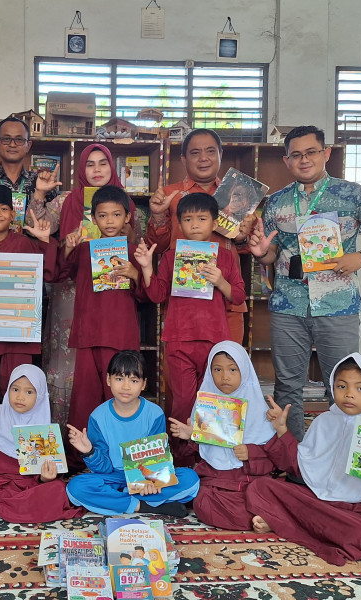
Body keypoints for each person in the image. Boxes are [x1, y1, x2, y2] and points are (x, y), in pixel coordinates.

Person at [248, 125, 361, 442]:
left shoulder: (352, 194)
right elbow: (271, 252)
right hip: (288, 305)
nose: (304, 160)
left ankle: (342, 453)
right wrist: (263, 255)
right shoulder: (275, 202)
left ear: (325, 153)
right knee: (287, 385)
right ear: (287, 159)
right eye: (296, 155)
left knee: (343, 384)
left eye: (311, 152)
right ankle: (291, 456)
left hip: (338, 303)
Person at [244, 354, 361, 566]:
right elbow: (299, 467)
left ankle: (284, 523)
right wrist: (281, 429)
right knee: (259, 488)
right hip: (313, 499)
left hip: (353, 509)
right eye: (342, 386)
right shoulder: (324, 421)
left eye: (360, 388)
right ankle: (304, 527)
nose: (349, 395)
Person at [135, 193, 245, 464]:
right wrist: (148, 268)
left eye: (202, 218)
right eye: (187, 219)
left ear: (214, 222)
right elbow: (158, 294)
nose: (195, 224)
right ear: (179, 225)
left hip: (214, 341)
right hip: (179, 339)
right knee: (183, 401)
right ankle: (181, 461)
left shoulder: (226, 257)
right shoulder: (172, 257)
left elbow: (239, 296)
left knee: (214, 401)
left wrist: (220, 281)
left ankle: (212, 459)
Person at [43, 143, 132, 426]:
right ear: (81, 169)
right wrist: (39, 195)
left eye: (102, 163)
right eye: (90, 164)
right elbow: (38, 227)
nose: (96, 170)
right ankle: (70, 436)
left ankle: (112, 438)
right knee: (73, 371)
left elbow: (136, 252)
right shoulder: (66, 200)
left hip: (112, 305)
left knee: (110, 369)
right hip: (73, 296)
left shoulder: (125, 202)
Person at [58, 186, 147, 462]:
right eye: (102, 215)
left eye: (116, 215)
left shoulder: (134, 252)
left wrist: (135, 272)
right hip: (87, 334)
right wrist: (69, 247)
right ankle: (78, 460)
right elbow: (61, 273)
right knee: (84, 399)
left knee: (123, 397)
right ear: (93, 219)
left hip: (120, 335)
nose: (109, 221)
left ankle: (125, 461)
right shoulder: (84, 251)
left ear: (127, 218)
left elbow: (147, 296)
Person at [146, 129, 251, 344]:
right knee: (182, 370)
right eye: (195, 153)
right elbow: (156, 247)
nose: (203, 158)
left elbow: (254, 249)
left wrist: (242, 238)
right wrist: (157, 215)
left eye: (210, 151)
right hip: (184, 301)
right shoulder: (169, 195)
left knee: (225, 371)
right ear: (184, 158)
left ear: (220, 154)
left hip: (227, 301)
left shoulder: (240, 195)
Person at [65, 350, 200, 517]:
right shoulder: (98, 417)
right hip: (113, 477)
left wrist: (148, 482)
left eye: (134, 380)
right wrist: (89, 452)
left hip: (146, 477)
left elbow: (157, 460)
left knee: (190, 478)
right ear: (108, 380)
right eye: (119, 379)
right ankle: (145, 506)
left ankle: (121, 500)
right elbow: (104, 469)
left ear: (143, 384)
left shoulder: (154, 414)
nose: (126, 386)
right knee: (76, 487)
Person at [0, 186, 56, 408]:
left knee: (18, 398)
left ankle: (12, 442)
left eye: (4, 209)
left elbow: (49, 273)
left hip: (18, 337)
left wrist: (45, 242)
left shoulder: (25, 245)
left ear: (12, 215)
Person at [0, 365, 86, 525]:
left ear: (39, 397)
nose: (20, 397)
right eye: (15, 389)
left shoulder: (43, 427)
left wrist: (46, 478)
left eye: (29, 392)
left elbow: (45, 473)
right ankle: (17, 510)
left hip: (29, 485)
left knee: (58, 489)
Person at [168, 342, 276, 531]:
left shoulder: (261, 410)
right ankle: (258, 519)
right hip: (215, 477)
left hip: (247, 478)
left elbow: (273, 457)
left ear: (244, 371)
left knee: (264, 496)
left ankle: (259, 516)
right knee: (202, 501)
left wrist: (250, 452)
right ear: (210, 372)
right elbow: (202, 452)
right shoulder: (207, 404)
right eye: (217, 370)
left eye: (233, 369)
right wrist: (190, 435)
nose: (225, 377)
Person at [0, 116, 61, 240]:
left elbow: (53, 233)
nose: (12, 144)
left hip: (30, 255)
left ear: (28, 145)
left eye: (19, 139)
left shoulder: (41, 183)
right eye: (6, 139)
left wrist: (41, 193)